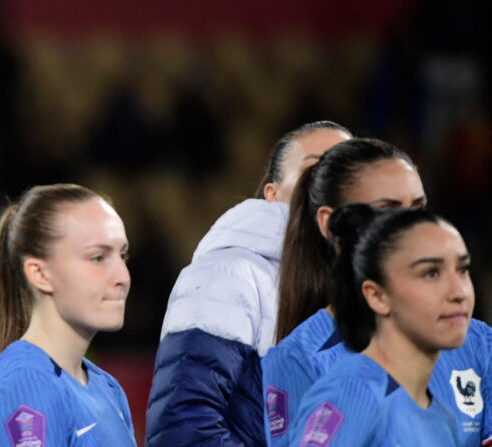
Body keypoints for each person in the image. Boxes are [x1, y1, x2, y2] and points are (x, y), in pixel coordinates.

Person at [263, 138, 491, 446]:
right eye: (389, 211)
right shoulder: (305, 365)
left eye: (419, 209)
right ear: (331, 225)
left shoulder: (475, 342)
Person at [145, 121, 351, 446]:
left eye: (348, 174)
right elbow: (183, 429)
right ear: (272, 194)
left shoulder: (366, 293)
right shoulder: (229, 274)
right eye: (316, 170)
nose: (333, 185)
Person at [288, 204, 470, 446]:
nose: (459, 291)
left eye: (462, 269)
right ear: (377, 296)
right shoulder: (349, 394)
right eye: (430, 273)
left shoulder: (443, 419)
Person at [0, 184, 136, 446]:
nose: (122, 277)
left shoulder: (109, 388)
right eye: (97, 257)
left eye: (122, 255)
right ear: (40, 274)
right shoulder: (22, 383)